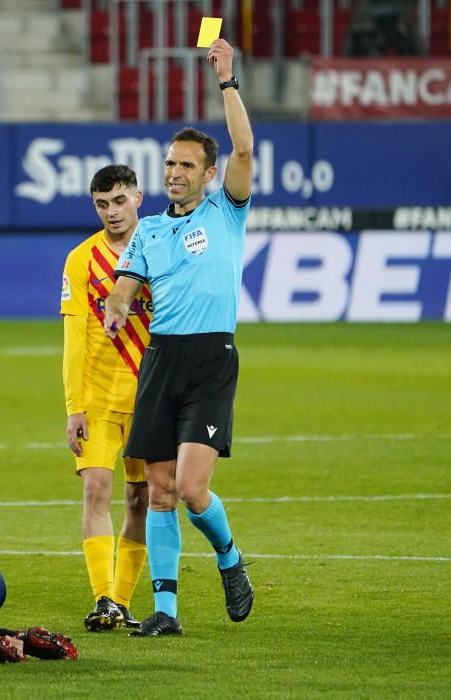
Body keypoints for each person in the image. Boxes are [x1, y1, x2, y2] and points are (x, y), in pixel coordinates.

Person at [102, 39, 255, 637]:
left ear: (208, 175)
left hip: (210, 357)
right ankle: (165, 611)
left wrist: (227, 80)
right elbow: (125, 285)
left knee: (193, 490)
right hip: (161, 357)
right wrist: (117, 306)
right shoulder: (148, 233)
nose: (174, 172)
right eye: (169, 163)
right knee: (159, 491)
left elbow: (243, 145)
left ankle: (229, 557)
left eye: (186, 165)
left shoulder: (226, 211)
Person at [60, 165, 152, 632]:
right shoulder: (81, 260)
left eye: (119, 200)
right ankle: (102, 599)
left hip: (150, 396)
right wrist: (73, 406)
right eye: (102, 203)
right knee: (96, 488)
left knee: (140, 498)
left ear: (138, 196)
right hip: (97, 396)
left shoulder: (160, 247)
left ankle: (121, 599)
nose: (111, 212)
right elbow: (73, 338)